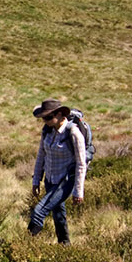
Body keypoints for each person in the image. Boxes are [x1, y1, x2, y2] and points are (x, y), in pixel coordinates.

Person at [28, 98, 87, 245]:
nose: (45, 121)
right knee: (58, 215)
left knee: (38, 212)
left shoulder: (73, 133)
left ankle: (25, 244)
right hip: (50, 179)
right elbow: (41, 156)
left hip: (65, 181)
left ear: (61, 115)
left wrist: (78, 192)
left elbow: (81, 164)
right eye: (43, 118)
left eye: (49, 117)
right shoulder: (47, 131)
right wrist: (36, 180)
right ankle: (64, 246)